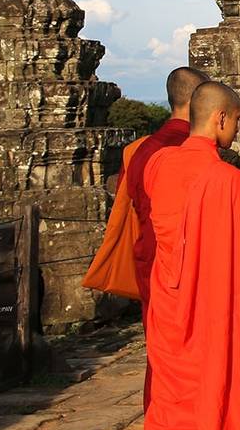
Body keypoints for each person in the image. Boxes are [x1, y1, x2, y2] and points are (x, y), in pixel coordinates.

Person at [141, 82, 240, 430]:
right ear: (220, 118)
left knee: (171, 398)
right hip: (210, 309)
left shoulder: (157, 166)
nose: (237, 130)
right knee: (212, 393)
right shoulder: (230, 181)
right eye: (236, 121)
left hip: (168, 303)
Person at [83, 67, 208, 304]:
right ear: (194, 101)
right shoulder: (193, 152)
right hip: (189, 269)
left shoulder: (137, 150)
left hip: (150, 263)